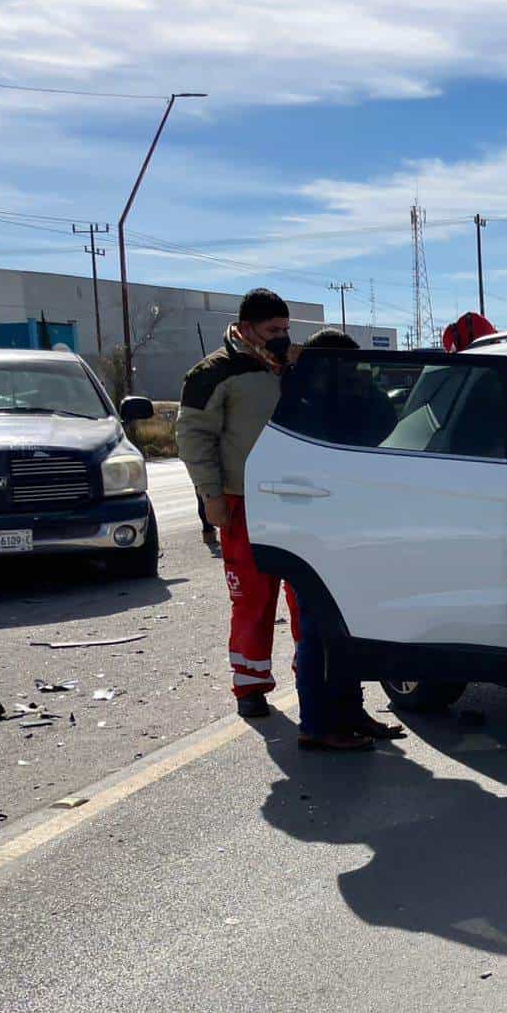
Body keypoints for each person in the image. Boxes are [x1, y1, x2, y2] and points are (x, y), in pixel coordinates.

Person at [175, 288, 310, 722]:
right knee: (252, 598)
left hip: (298, 499)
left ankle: (313, 678)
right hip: (242, 501)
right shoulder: (213, 373)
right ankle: (250, 686)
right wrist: (210, 496)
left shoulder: (289, 367)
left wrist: (300, 368)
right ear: (247, 327)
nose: (281, 337)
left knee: (307, 597)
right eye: (273, 330)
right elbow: (194, 437)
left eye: (286, 330)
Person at [288, 327, 404, 750]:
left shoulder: (351, 399)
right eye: (349, 368)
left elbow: (384, 424)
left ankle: (350, 713)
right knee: (318, 629)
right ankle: (318, 725)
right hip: (314, 527)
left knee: (346, 625)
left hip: (348, 522)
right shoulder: (299, 401)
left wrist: (361, 386)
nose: (358, 374)